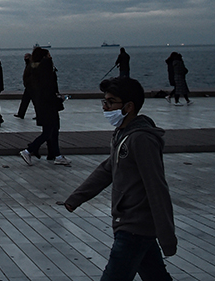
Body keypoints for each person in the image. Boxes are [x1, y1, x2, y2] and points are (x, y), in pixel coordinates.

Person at [63, 76, 177, 281]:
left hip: (135, 226)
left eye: (110, 102)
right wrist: (76, 198)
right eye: (104, 102)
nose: (105, 107)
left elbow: (156, 186)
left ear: (129, 106)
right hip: (130, 223)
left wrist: (167, 237)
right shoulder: (122, 134)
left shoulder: (141, 139)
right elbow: (107, 169)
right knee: (156, 276)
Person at [20, 47, 70, 166]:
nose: (50, 57)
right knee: (48, 132)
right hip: (48, 105)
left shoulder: (35, 71)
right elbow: (48, 90)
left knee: (53, 130)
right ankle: (28, 150)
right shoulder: (45, 70)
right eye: (48, 55)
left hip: (44, 104)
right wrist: (58, 98)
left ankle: (57, 156)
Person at [15, 51, 33, 119]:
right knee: (25, 100)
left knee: (34, 101)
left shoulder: (30, 65)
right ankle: (21, 114)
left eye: (26, 57)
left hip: (31, 86)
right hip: (28, 86)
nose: (25, 58)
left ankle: (21, 114)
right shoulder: (28, 64)